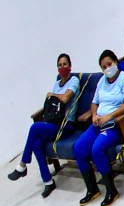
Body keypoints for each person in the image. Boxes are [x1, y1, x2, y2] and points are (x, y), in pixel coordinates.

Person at [72, 49, 124, 206]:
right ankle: (92, 189)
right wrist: (94, 115)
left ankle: (111, 190)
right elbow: (95, 102)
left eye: (110, 64)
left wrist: (110, 116)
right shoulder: (102, 81)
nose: (107, 68)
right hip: (98, 124)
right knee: (79, 148)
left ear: (116, 62)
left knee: (97, 149)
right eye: (104, 66)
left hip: (116, 124)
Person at [9, 53, 79, 195]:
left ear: (70, 66)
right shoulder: (56, 83)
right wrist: (52, 95)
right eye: (59, 65)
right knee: (37, 143)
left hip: (67, 125)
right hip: (54, 123)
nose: (62, 67)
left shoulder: (74, 80)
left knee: (34, 127)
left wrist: (52, 94)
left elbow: (65, 99)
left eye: (65, 64)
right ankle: (48, 181)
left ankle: (23, 165)